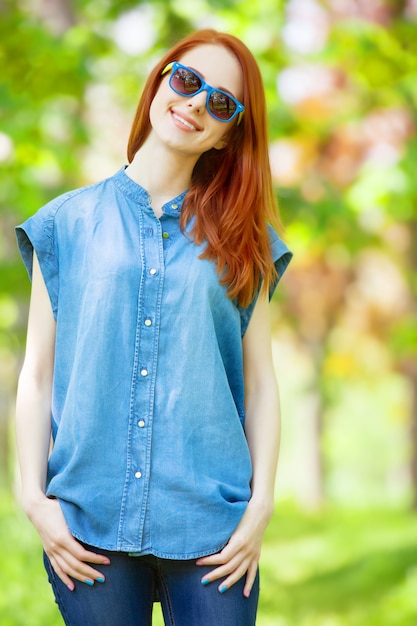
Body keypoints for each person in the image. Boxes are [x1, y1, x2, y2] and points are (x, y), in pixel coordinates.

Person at [15, 28, 292, 626]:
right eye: (188, 81)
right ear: (160, 82)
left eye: (221, 102)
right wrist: (34, 502)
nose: (195, 103)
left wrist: (259, 510)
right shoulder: (64, 223)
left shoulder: (244, 242)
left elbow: (262, 383)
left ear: (228, 135)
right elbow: (37, 378)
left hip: (213, 528)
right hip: (88, 523)